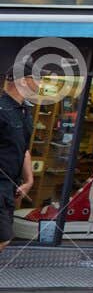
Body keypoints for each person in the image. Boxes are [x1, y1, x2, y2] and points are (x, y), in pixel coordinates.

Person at [0, 71, 36, 255]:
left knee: (5, 238)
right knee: (3, 237)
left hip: (10, 186)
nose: (39, 83)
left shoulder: (25, 112)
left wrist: (29, 180)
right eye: (35, 78)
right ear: (22, 81)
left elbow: (24, 149)